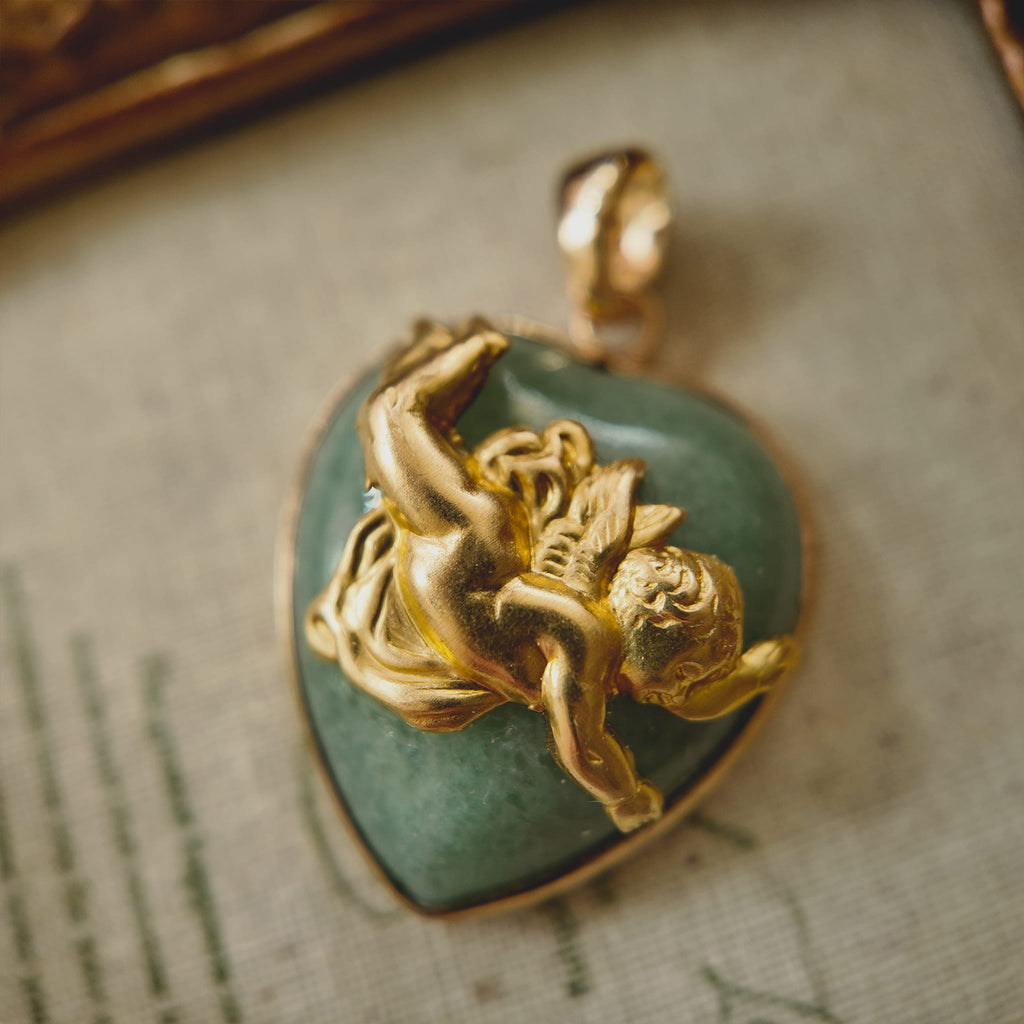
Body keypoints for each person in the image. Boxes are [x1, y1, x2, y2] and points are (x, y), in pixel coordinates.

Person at [307, 320, 797, 832]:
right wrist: (623, 798)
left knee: (392, 416)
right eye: (682, 677)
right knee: (392, 414)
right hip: (466, 548)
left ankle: (469, 349)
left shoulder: (585, 623)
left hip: (464, 555)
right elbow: (586, 746)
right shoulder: (582, 633)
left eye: (682, 681)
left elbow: (602, 733)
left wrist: (748, 678)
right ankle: (475, 347)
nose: (675, 691)